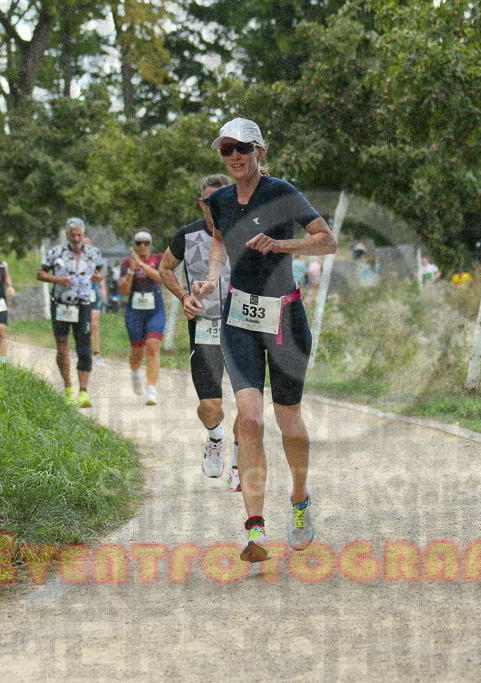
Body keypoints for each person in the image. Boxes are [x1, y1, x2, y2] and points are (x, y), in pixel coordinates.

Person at [192, 117, 338, 563]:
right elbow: (219, 242)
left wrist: (280, 246)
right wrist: (210, 278)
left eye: (243, 148)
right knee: (250, 420)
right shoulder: (217, 199)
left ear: (261, 151)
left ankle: (299, 500)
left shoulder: (283, 193)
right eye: (226, 149)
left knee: (287, 419)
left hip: (285, 318)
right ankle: (255, 529)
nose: (235, 156)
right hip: (239, 318)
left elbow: (326, 242)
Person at [159, 173, 242, 489]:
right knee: (211, 406)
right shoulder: (187, 234)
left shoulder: (247, 231)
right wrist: (183, 297)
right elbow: (165, 268)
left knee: (247, 406)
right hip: (205, 328)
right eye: (212, 200)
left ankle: (237, 462)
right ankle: (214, 435)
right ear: (203, 202)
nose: (219, 205)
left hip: (242, 327)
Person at [37, 218, 106, 408]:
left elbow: (101, 272)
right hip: (61, 305)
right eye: (73, 235)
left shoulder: (93, 253)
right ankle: (68, 387)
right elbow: (39, 274)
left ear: (83, 235)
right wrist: (55, 278)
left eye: (79, 235)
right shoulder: (56, 252)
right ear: (67, 235)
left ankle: (83, 393)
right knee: (62, 348)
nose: (76, 238)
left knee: (84, 348)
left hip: (84, 304)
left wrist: (99, 279)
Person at [119, 230, 166, 406]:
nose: (143, 246)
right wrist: (132, 270)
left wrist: (141, 265)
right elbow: (123, 291)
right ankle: (135, 373)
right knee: (138, 352)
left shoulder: (159, 258)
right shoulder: (126, 262)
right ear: (135, 245)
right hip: (135, 309)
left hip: (155, 308)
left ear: (150, 244)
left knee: (153, 347)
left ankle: (151, 390)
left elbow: (161, 278)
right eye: (139, 243)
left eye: (146, 243)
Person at [83, 235, 105, 367]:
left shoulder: (95, 259)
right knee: (80, 325)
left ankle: (96, 353)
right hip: (78, 295)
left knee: (94, 322)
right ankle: (83, 351)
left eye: (88, 245)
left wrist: (102, 287)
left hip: (92, 293)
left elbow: (101, 274)